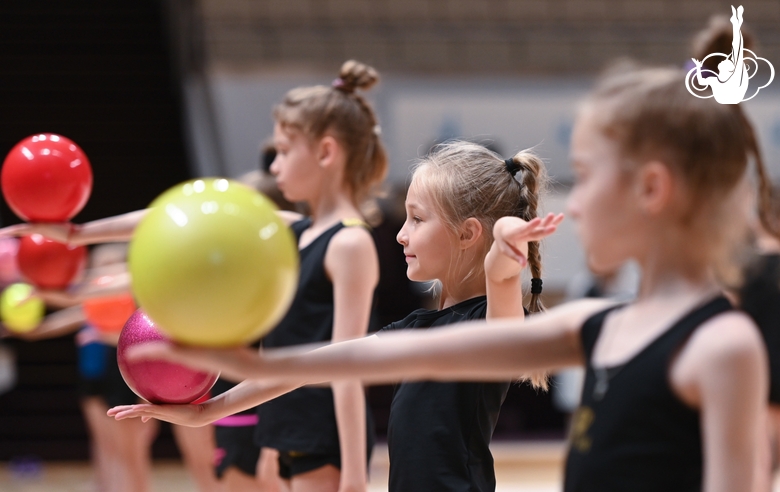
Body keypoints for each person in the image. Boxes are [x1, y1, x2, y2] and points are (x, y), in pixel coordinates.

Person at [120, 67, 775, 492]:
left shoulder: (719, 345)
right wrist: (216, 395)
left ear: (652, 188)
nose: (572, 203)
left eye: (587, 174)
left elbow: (493, 315)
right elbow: (351, 356)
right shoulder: (595, 326)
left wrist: (501, 269)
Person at [108, 139, 561, 492]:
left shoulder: (491, 328)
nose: (402, 235)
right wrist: (207, 412)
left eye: (418, 220)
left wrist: (506, 240)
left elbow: (501, 274)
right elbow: (313, 365)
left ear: (468, 234)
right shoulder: (416, 328)